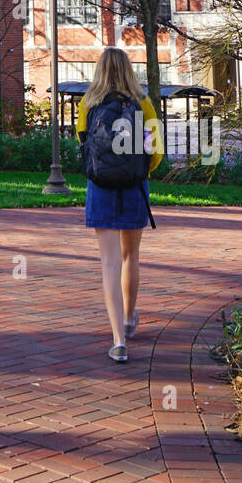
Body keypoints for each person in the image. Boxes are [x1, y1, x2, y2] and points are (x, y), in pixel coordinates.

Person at [76, 48, 163, 364]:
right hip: (134, 187)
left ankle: (117, 340)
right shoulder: (143, 104)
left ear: (99, 70)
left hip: (100, 189)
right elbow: (156, 152)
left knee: (109, 261)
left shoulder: (89, 104)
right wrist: (138, 170)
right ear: (128, 70)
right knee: (131, 256)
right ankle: (129, 318)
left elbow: (83, 144)